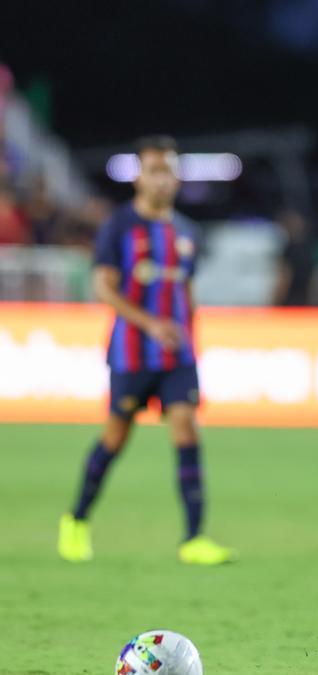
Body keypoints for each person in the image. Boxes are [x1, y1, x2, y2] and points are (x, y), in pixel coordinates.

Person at [58, 135, 234, 566]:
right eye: (154, 170)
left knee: (187, 430)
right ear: (138, 177)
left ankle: (194, 538)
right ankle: (76, 519)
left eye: (169, 171)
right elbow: (103, 287)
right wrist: (150, 324)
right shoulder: (119, 226)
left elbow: (186, 290)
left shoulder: (186, 231)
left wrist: (190, 337)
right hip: (133, 353)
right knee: (116, 437)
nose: (162, 179)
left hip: (177, 356)